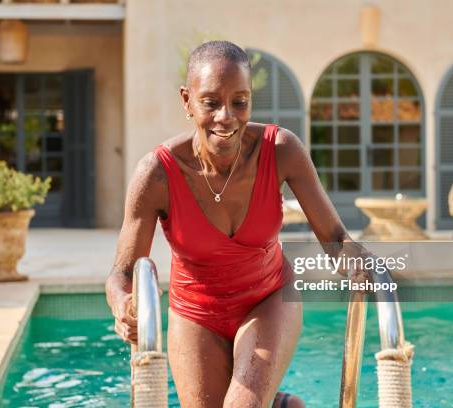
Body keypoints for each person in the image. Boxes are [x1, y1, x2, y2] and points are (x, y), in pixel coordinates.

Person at [105, 40, 357, 408]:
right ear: (187, 101)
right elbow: (123, 273)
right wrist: (123, 303)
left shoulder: (281, 150)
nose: (227, 117)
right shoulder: (157, 174)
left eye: (239, 102)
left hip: (268, 298)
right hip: (195, 311)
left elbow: (335, 237)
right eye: (210, 102)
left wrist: (363, 263)